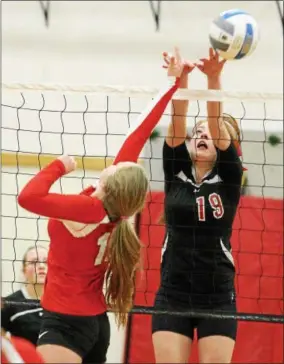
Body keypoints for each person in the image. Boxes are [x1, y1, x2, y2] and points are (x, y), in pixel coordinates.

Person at [17, 48, 185, 364]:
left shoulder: (88, 209)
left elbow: (28, 197)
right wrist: (172, 84)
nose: (118, 163)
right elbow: (139, 133)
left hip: (65, 323)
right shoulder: (114, 207)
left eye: (120, 167)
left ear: (110, 181)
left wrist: (58, 166)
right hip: (94, 321)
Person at [152, 48, 243, 364]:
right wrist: (182, 79)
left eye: (210, 134)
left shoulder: (229, 177)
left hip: (216, 298)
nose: (202, 134)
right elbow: (178, 121)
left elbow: (217, 123)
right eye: (198, 132)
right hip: (172, 294)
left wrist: (214, 78)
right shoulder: (175, 171)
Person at [2, 246, 48, 345]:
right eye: (33, 262)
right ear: (24, 270)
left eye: (46, 261)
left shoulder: (63, 301)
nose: (41, 266)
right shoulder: (9, 303)